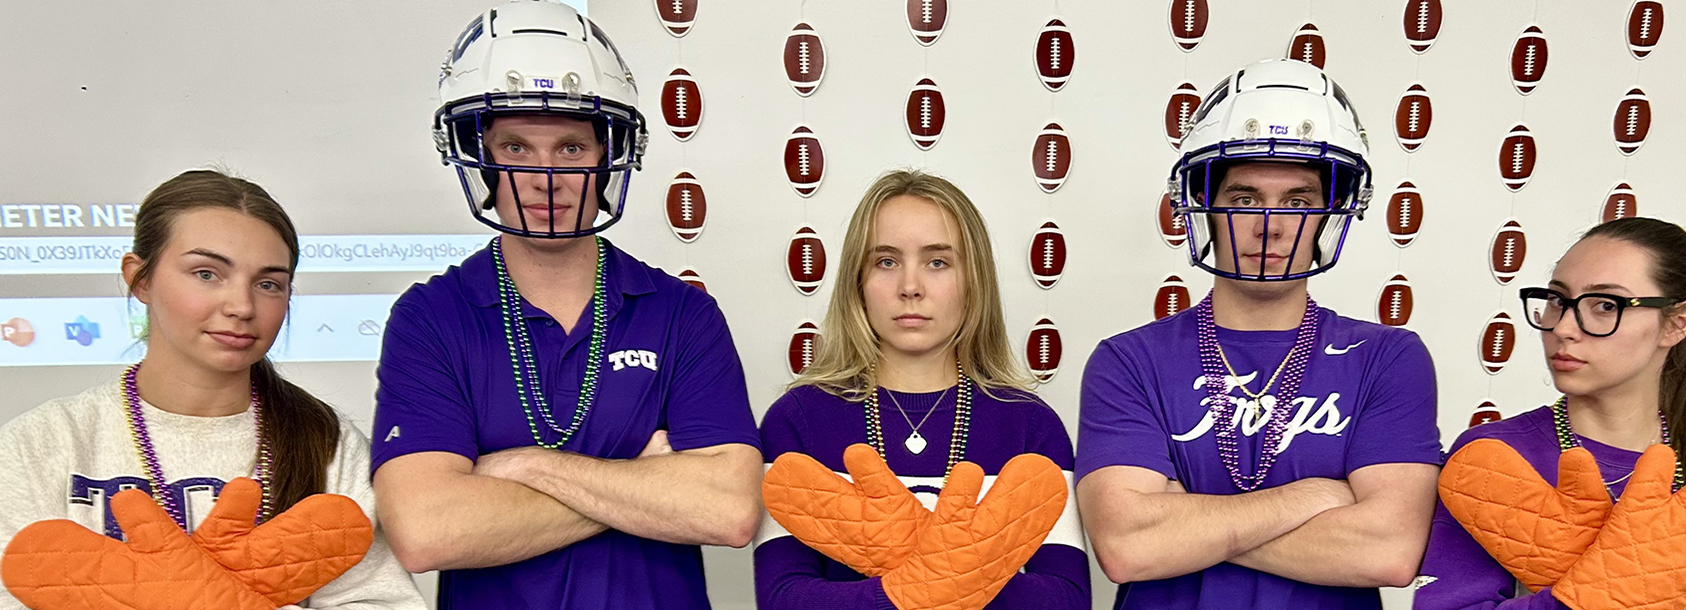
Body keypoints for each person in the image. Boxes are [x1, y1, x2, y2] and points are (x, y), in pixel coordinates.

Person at [368, 2, 761, 609]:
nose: (545, 176)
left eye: (572, 148)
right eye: (515, 147)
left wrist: (524, 466)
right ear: (478, 155)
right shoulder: (430, 317)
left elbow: (728, 511)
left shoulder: (683, 313)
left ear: (607, 157)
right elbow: (427, 531)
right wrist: (644, 480)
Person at [1074, 58, 1442, 609]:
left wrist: (1186, 522)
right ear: (1205, 205)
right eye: (1244, 199)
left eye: (1298, 201)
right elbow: (1128, 547)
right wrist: (1314, 497)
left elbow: (1387, 551)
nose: (1269, 226)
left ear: (1329, 213)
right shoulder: (1129, 360)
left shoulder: (1387, 357)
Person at [0, 169, 424, 609]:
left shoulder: (327, 442)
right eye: (206, 274)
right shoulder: (41, 443)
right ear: (140, 279)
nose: (241, 306)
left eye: (268, 284)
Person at [1415, 217, 1686, 609]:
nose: (1563, 327)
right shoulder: (1494, 462)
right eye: (1557, 300)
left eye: (1605, 305)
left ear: (1677, 324)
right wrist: (1611, 592)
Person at [755, 169, 1089, 609]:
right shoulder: (799, 418)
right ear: (858, 280)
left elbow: (1067, 599)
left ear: (974, 280)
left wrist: (945, 574)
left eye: (937, 262)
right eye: (886, 261)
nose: (910, 288)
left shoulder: (1030, 424)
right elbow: (783, 598)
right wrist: (927, 585)